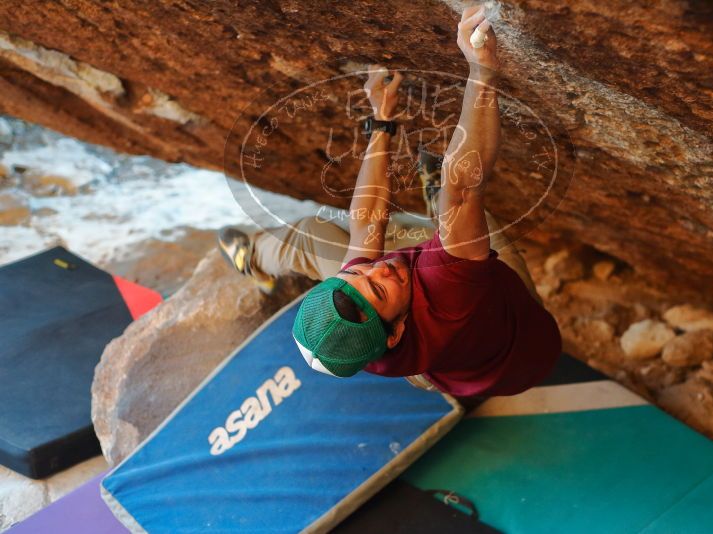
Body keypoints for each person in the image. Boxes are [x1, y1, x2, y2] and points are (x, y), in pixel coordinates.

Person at [219, 6, 561, 403]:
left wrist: (381, 120)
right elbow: (464, 186)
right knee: (467, 216)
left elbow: (367, 224)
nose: (377, 269)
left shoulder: (361, 327)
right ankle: (437, 213)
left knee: (315, 233)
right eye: (378, 291)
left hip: (457, 362)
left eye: (356, 274)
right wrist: (482, 69)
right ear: (396, 332)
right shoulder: (447, 292)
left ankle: (255, 257)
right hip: (524, 334)